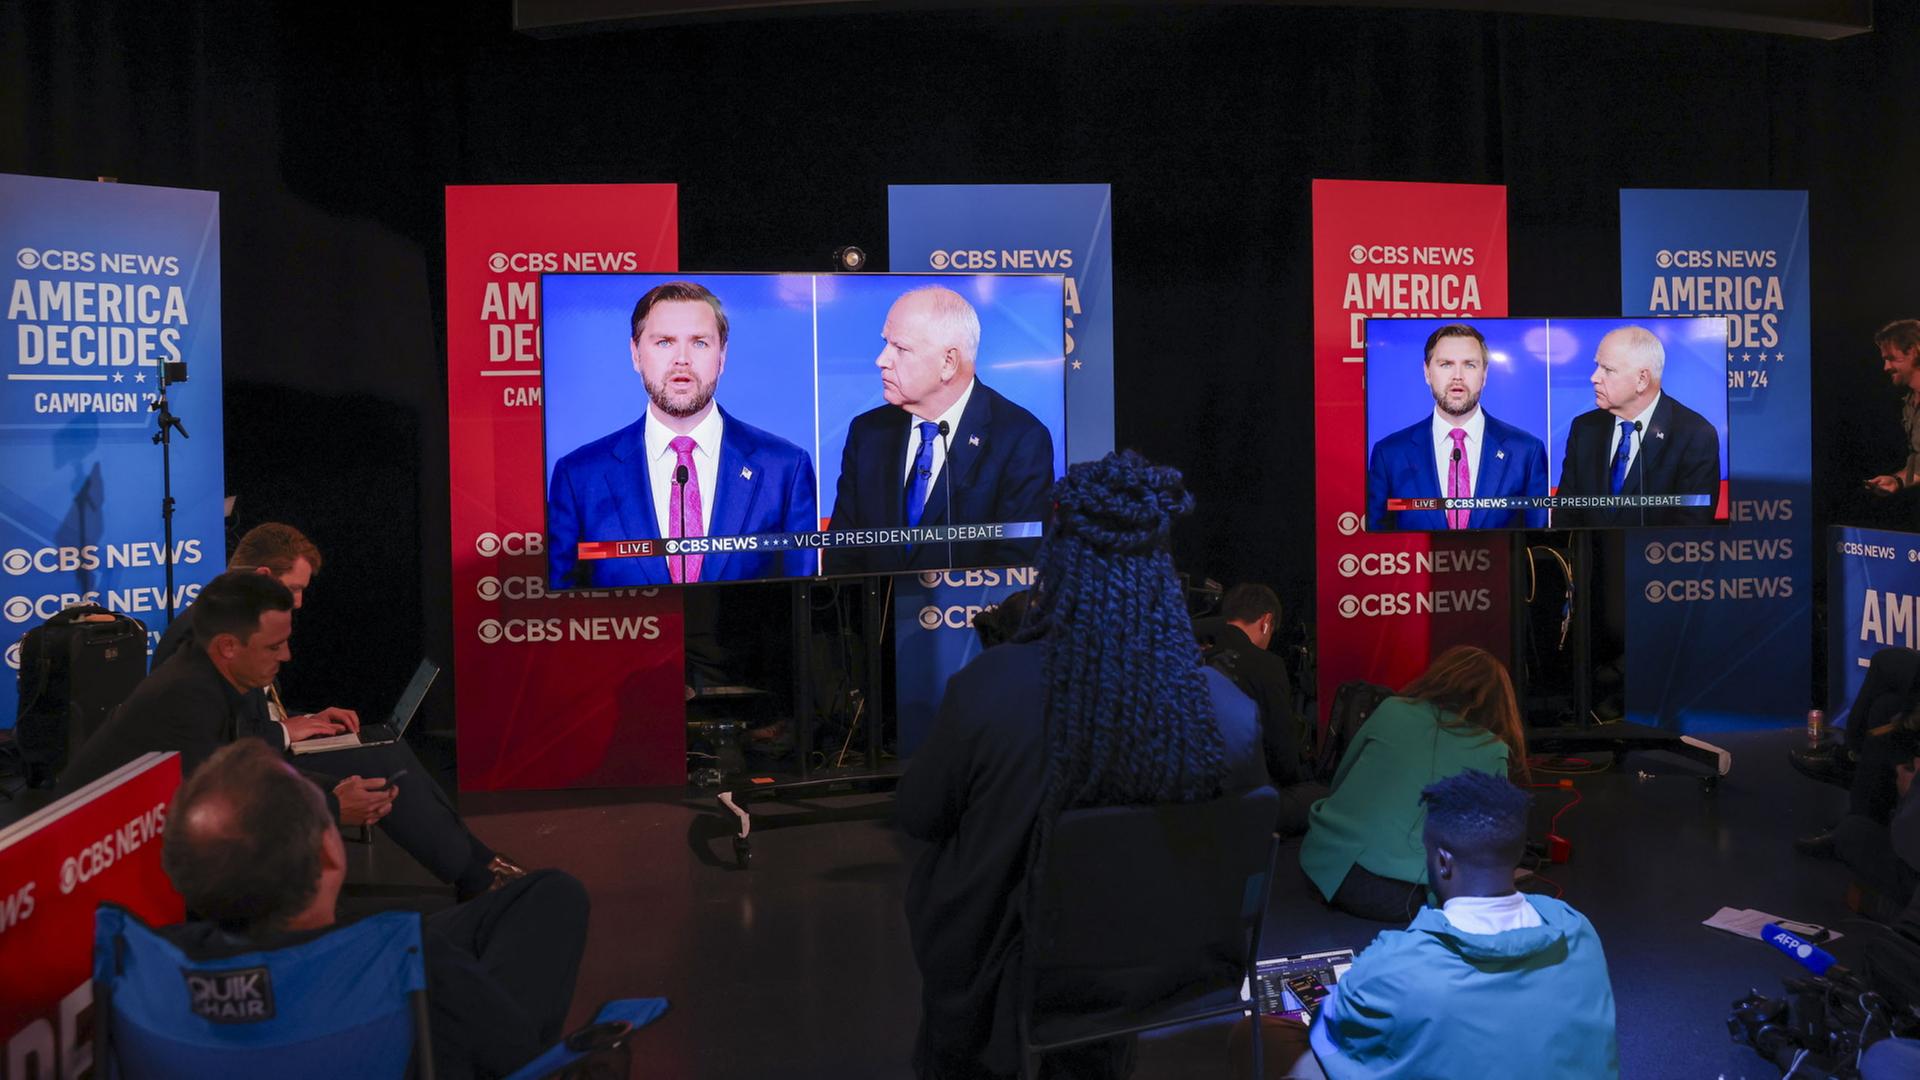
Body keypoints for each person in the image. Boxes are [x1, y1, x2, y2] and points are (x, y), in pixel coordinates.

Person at [897, 451, 1268, 1080]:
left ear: (1058, 559)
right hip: (1171, 972)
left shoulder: (990, 692)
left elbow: (919, 815)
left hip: (1015, 982)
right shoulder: (1229, 713)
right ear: (1162, 566)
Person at [64, 569, 519, 899]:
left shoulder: (221, 673)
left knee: (374, 763)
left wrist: (333, 793)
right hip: (98, 859)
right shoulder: (190, 694)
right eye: (274, 646)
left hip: (153, 827)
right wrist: (334, 804)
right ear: (228, 647)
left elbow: (244, 763)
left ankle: (479, 872)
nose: (287, 656)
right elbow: (225, 796)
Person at [159, 740, 590, 1078]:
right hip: (399, 1023)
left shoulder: (153, 968)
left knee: (548, 894)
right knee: (556, 898)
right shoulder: (407, 959)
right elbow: (519, 1057)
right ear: (329, 857)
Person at [1233, 771, 1619, 1079]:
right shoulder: (1576, 928)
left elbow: (1330, 1031)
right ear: (1517, 851)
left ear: (1443, 862)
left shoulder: (1395, 963)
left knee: (1258, 1038)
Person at [547, 280, 818, 586]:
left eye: (700, 342)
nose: (682, 359)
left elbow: (802, 597)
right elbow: (565, 608)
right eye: (664, 342)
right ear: (635, 353)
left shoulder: (784, 468)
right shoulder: (579, 476)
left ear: (722, 356)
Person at [828, 285, 1055, 574]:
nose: (881, 360)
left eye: (900, 348)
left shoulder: (1019, 439)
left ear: (948, 362)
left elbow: (1017, 567)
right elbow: (843, 553)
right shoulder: (868, 433)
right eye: (886, 343)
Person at [1299, 645, 1528, 922]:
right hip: (1400, 895)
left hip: (1326, 868)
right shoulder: (1492, 749)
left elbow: (1341, 779)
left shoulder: (1390, 709)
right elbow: (1488, 844)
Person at [1365, 323, 1549, 531]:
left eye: (1470, 364)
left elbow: (1537, 541)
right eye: (1446, 364)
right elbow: (1377, 543)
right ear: (1427, 372)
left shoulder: (1526, 451)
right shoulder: (1389, 454)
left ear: (1485, 374)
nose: (1457, 376)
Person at [1553, 325, 1720, 527]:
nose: (1594, 378)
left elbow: (1693, 526)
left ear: (1642, 380)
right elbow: (1566, 513)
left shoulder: (1694, 435)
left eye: (1608, 369)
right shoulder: (1585, 428)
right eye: (1597, 366)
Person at [1194, 583, 1325, 836]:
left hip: (1188, 799)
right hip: (1241, 803)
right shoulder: (1266, 664)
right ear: (1266, 621)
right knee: (1322, 797)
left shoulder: (1191, 654)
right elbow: (1282, 752)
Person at [1866, 320, 1920, 499]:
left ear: (1912, 351)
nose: (1886, 367)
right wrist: (1897, 481)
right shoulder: (1909, 404)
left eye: (1889, 359)